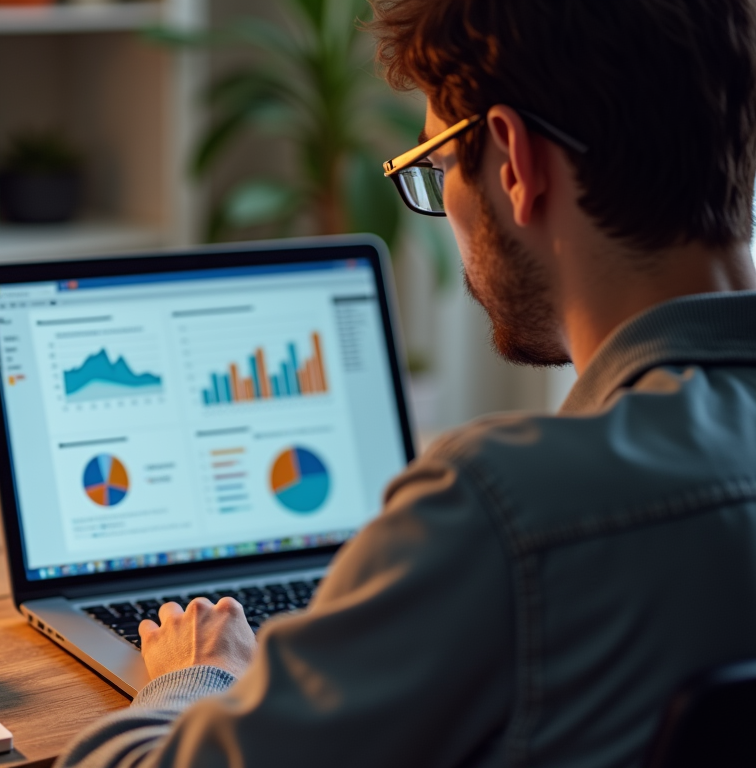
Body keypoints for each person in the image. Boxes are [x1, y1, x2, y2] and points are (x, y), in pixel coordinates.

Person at [59, 0, 756, 765]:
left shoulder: (505, 514)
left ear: (514, 163)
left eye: (435, 164)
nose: (443, 205)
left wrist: (195, 676)